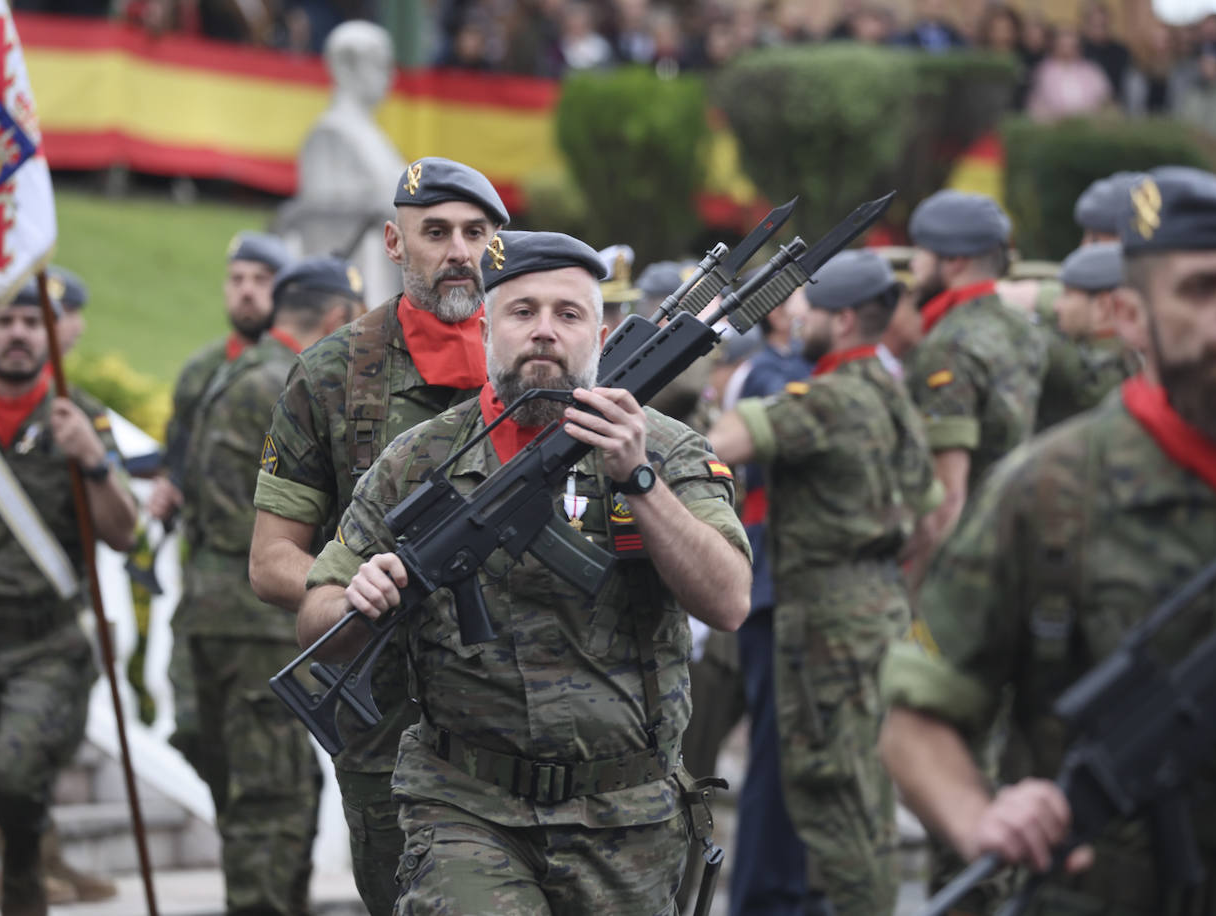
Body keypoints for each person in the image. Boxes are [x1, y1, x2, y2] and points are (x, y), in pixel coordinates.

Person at [297, 229, 752, 913]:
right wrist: (354, 601)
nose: (545, 332)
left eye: (567, 315)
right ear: (487, 327)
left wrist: (640, 479)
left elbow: (729, 601)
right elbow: (317, 621)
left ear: (600, 332)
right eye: (522, 312)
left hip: (626, 816)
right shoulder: (416, 460)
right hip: (465, 807)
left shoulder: (661, 446)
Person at [879, 165, 1216, 914]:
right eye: (1202, 288)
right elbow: (916, 719)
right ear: (1130, 317)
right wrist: (980, 816)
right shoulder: (1045, 491)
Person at [250, 157, 508, 915]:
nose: (458, 250)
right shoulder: (332, 376)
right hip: (396, 723)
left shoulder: (539, 359)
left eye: (474, 232)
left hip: (533, 716)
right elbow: (271, 562)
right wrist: (354, 587)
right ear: (395, 246)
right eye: (435, 232)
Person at [709, 249, 940, 916]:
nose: (796, 319)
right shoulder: (892, 392)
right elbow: (930, 509)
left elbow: (723, 441)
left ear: (841, 321)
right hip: (881, 607)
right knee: (867, 792)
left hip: (825, 625)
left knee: (833, 792)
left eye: (806, 310)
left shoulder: (827, 398)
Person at [0, 278, 136, 916]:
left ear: (50, 331)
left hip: (48, 645)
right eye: (5, 320)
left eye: (32, 321)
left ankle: (24, 859)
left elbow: (123, 532)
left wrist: (93, 460)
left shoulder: (79, 415)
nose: (19, 333)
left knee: (16, 780)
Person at [183, 255, 362, 914]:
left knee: (265, 799)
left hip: (223, 615)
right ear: (337, 319)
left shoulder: (239, 372)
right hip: (261, 622)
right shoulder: (291, 383)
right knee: (271, 805)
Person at [149, 230, 290, 766]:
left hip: (266, 589)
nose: (247, 292)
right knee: (192, 727)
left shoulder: (294, 372)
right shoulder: (201, 371)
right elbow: (179, 453)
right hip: (205, 583)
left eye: (261, 280)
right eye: (237, 280)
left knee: (266, 747)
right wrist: (169, 487)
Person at [722, 286, 815, 916]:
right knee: (773, 754)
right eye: (809, 297)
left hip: (799, 589)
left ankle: (794, 887)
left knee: (800, 753)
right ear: (781, 310)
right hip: (771, 587)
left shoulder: (806, 373)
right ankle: (760, 895)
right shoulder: (769, 375)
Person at [905, 190, 1047, 547]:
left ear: (954, 263)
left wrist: (921, 589)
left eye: (921, 252)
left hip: (967, 549)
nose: (913, 266)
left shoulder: (947, 345)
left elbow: (947, 500)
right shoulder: (1022, 328)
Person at [1035, 242, 1137, 431]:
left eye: (1067, 295)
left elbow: (1092, 381)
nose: (1057, 306)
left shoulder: (1101, 372)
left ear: (1103, 307)